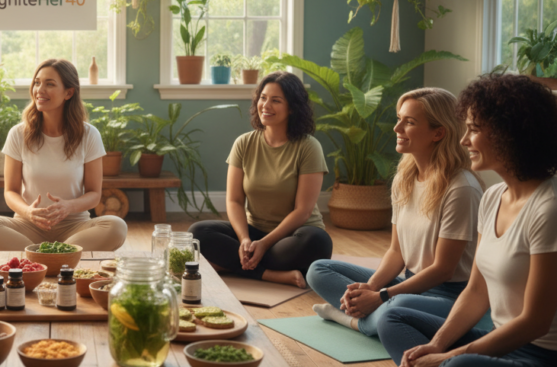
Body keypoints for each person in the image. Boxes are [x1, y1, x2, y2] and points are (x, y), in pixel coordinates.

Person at [375, 74, 557, 367]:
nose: (463, 140)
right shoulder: (494, 198)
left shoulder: (549, 208)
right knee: (391, 318)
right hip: (499, 342)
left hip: (545, 364)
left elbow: (536, 322)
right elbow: (476, 291)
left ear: (510, 133)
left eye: (473, 129)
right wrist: (438, 344)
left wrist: (446, 360)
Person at [307, 88, 483, 336]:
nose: (397, 128)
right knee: (318, 270)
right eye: (399, 118)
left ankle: (351, 320)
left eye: (409, 122)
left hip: (447, 295)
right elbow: (396, 251)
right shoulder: (405, 177)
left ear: (438, 133)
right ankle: (374, 318)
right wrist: (370, 287)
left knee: (394, 308)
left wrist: (381, 296)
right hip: (408, 282)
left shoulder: (461, 188)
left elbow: (443, 269)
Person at [188, 71, 332, 288]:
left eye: (276, 100)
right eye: (263, 98)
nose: (266, 105)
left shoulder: (308, 147)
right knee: (197, 233)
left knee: (317, 243)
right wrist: (245, 240)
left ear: (292, 107)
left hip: (294, 235)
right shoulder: (244, 143)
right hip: (254, 231)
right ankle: (271, 274)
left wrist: (264, 244)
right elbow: (234, 200)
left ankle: (230, 265)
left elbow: (302, 211)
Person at [0, 59, 127, 252]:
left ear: (69, 92)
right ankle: (61, 255)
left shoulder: (89, 135)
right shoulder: (18, 134)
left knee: (116, 226)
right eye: (37, 83)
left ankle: (39, 255)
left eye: (50, 84)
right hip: (27, 227)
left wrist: (69, 207)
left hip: (74, 227)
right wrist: (28, 212)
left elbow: (94, 194)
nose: (40, 89)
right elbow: (10, 192)